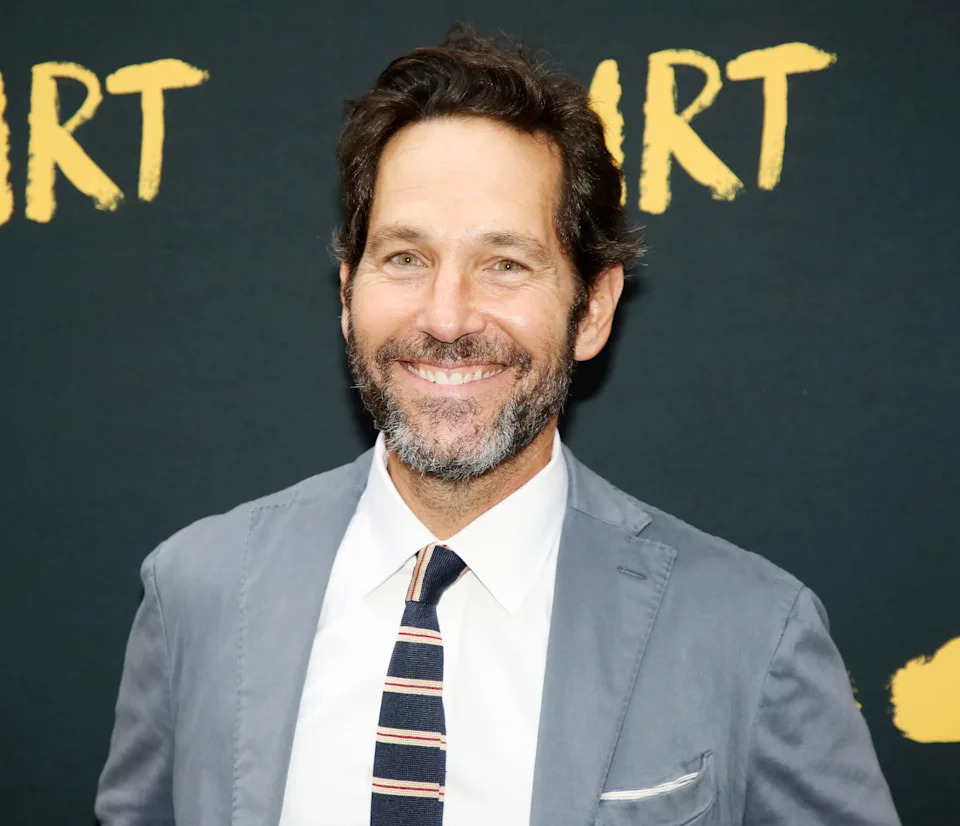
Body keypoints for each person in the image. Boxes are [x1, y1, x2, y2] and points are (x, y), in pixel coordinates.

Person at [95, 26, 901, 826]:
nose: (446, 318)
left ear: (592, 310)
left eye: (505, 263)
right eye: (405, 258)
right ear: (347, 295)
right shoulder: (192, 591)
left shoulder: (752, 633)